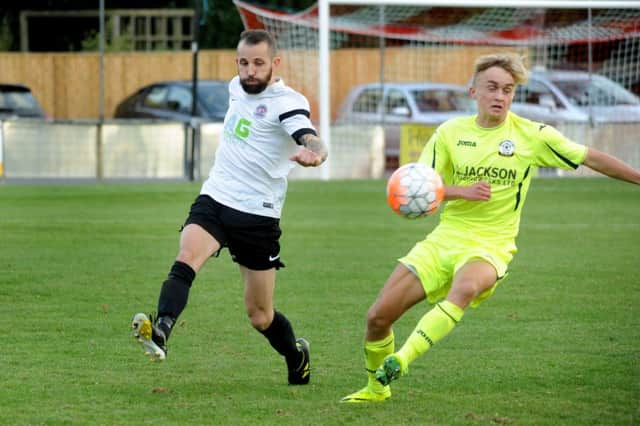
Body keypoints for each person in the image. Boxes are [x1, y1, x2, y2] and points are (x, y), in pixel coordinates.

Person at [341, 53, 640, 402]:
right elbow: (417, 185)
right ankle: (376, 390)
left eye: (508, 90)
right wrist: (459, 191)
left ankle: (402, 359)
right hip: (446, 238)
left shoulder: (532, 135)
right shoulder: (450, 133)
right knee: (378, 317)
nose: (500, 96)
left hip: (491, 244)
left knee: (465, 287)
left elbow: (589, 156)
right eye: (493, 88)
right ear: (474, 92)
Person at [131, 29, 327, 386]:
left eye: (258, 63)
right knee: (187, 256)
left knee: (260, 315)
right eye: (243, 62)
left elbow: (308, 134)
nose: (249, 71)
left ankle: (296, 356)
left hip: (258, 215)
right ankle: (161, 331)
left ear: (275, 64)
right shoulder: (235, 87)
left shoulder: (287, 101)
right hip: (216, 198)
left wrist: (315, 151)